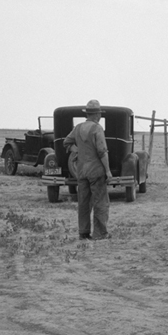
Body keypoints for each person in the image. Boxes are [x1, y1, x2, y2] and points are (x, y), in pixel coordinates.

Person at [64, 99, 114, 240]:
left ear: (87, 114)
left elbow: (66, 142)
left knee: (84, 202)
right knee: (100, 202)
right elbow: (102, 151)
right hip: (96, 171)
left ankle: (83, 232)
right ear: (97, 114)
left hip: (81, 171)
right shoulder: (97, 128)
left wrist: (77, 151)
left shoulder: (78, 127)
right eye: (99, 114)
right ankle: (100, 233)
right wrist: (108, 171)